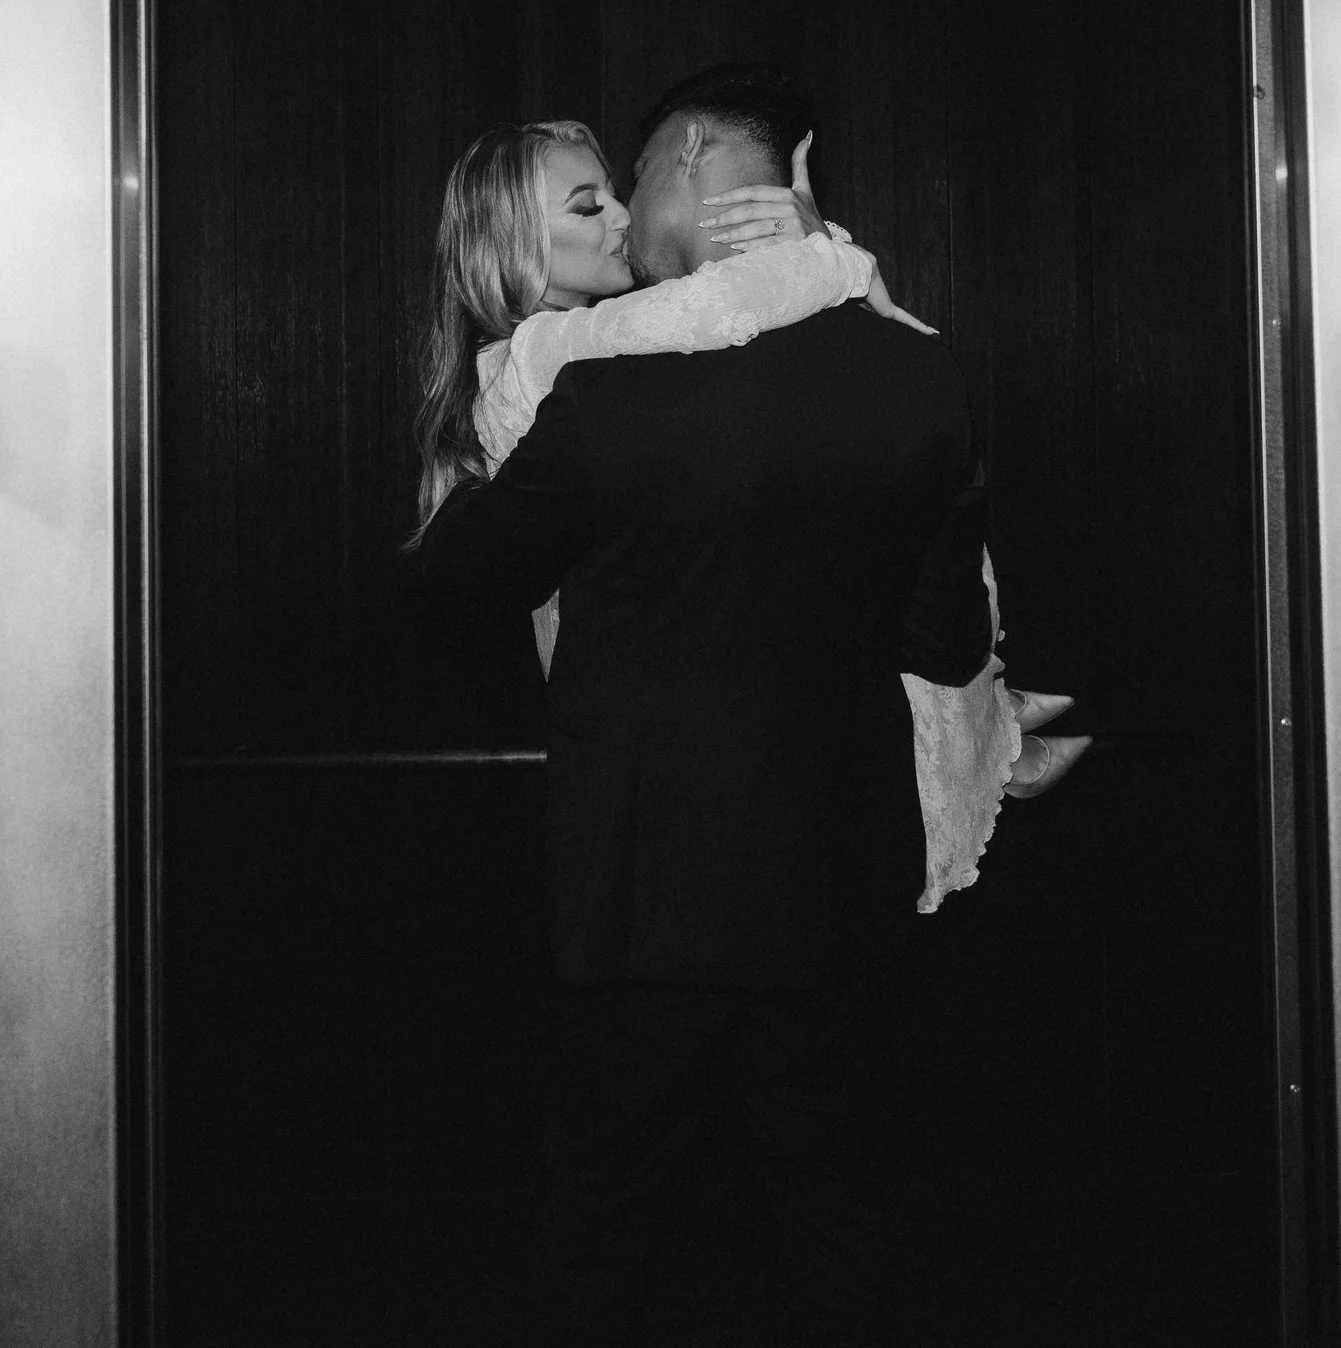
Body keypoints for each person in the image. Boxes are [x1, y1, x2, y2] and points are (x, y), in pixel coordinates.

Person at [402, 66, 1085, 1341]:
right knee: (833, 1209)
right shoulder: (913, 371)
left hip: (650, 895)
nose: (624, 218)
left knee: (599, 1217)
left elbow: (447, 594)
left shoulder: (596, 390)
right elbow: (944, 638)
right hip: (832, 884)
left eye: (636, 177)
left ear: (695, 156)